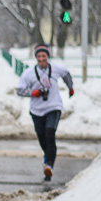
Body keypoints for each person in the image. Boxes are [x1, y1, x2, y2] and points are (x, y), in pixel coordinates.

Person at [15, 44, 74, 181]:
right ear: (36, 57)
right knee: (42, 137)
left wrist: (70, 87)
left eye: (44, 56)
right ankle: (47, 157)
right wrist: (32, 93)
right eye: (39, 56)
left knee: (50, 133)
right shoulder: (29, 73)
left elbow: (66, 75)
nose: (41, 59)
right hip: (36, 110)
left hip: (53, 106)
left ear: (48, 56)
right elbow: (19, 90)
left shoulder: (56, 68)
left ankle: (49, 166)